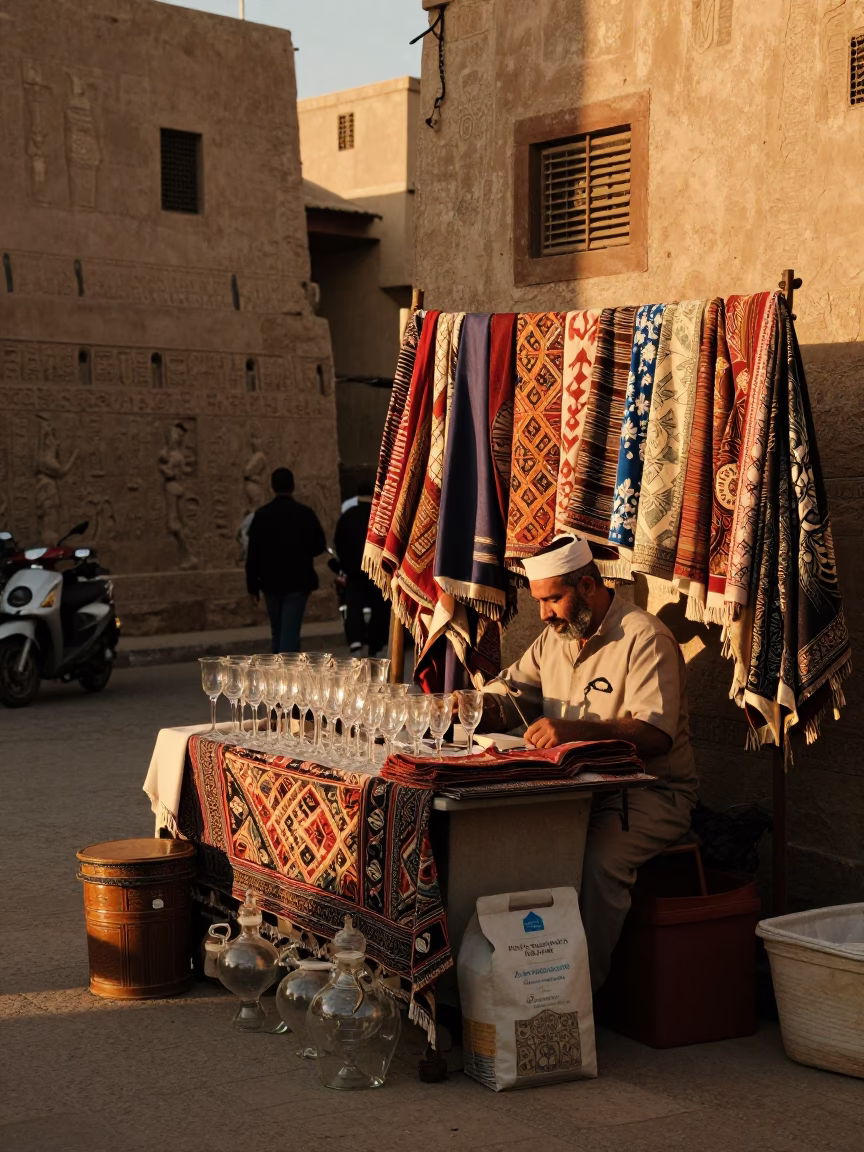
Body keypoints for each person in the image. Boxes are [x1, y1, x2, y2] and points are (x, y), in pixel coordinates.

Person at [476, 534, 698, 992]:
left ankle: (581, 997)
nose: (544, 613)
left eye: (552, 599)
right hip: (575, 790)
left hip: (647, 793)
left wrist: (577, 730)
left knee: (599, 863)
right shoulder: (555, 638)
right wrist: (470, 706)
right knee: (509, 844)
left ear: (589, 587)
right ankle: (522, 986)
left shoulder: (645, 637)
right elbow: (511, 694)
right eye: (539, 601)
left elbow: (656, 736)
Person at [245, 468, 326, 653]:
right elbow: (319, 545)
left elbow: (253, 553)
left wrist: (252, 586)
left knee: (278, 632)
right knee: (289, 633)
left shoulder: (262, 515)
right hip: (298, 580)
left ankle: (280, 666)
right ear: (293, 486)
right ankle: (286, 668)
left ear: (272, 487)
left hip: (270, 581)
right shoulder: (305, 514)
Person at [333, 482, 390, 656]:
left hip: (354, 571)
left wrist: (344, 566)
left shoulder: (347, 516)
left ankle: (355, 640)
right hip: (377, 571)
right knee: (380, 608)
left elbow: (338, 543)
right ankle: (375, 642)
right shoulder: (381, 516)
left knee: (354, 606)